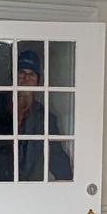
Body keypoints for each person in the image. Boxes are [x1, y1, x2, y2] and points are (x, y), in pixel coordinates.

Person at [14, 50, 72, 181]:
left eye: (31, 74)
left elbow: (57, 158)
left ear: (38, 82)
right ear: (13, 76)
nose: (26, 78)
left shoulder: (45, 118)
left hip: (33, 192)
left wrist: (72, 187)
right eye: (21, 72)